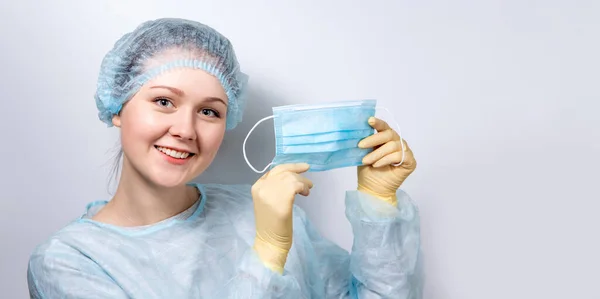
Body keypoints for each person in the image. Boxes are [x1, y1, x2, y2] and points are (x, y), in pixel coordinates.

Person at [27, 18, 423, 298]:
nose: (185, 128)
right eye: (163, 101)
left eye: (209, 111)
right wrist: (267, 254)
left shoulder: (260, 212)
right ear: (117, 106)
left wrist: (378, 204)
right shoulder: (69, 262)